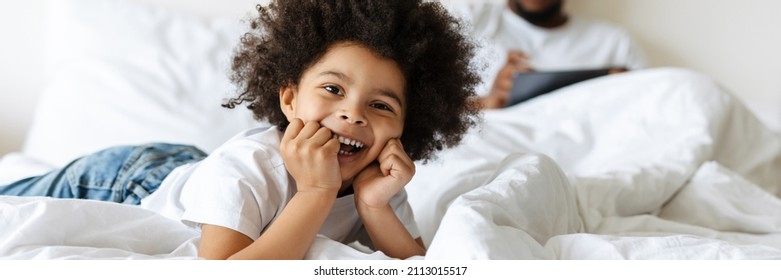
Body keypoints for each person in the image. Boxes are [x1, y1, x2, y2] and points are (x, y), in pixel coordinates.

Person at [0, 0, 480, 260]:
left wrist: (374, 206)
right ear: (289, 99)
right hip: (130, 177)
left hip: (194, 170)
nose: (354, 115)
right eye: (333, 89)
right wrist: (315, 191)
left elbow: (416, 265)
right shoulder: (253, 165)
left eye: (379, 105)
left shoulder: (376, 179)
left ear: (404, 125)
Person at [444, 0, 647, 109]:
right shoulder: (466, 20)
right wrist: (490, 100)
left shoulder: (615, 43)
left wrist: (625, 93)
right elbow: (421, 113)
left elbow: (650, 112)